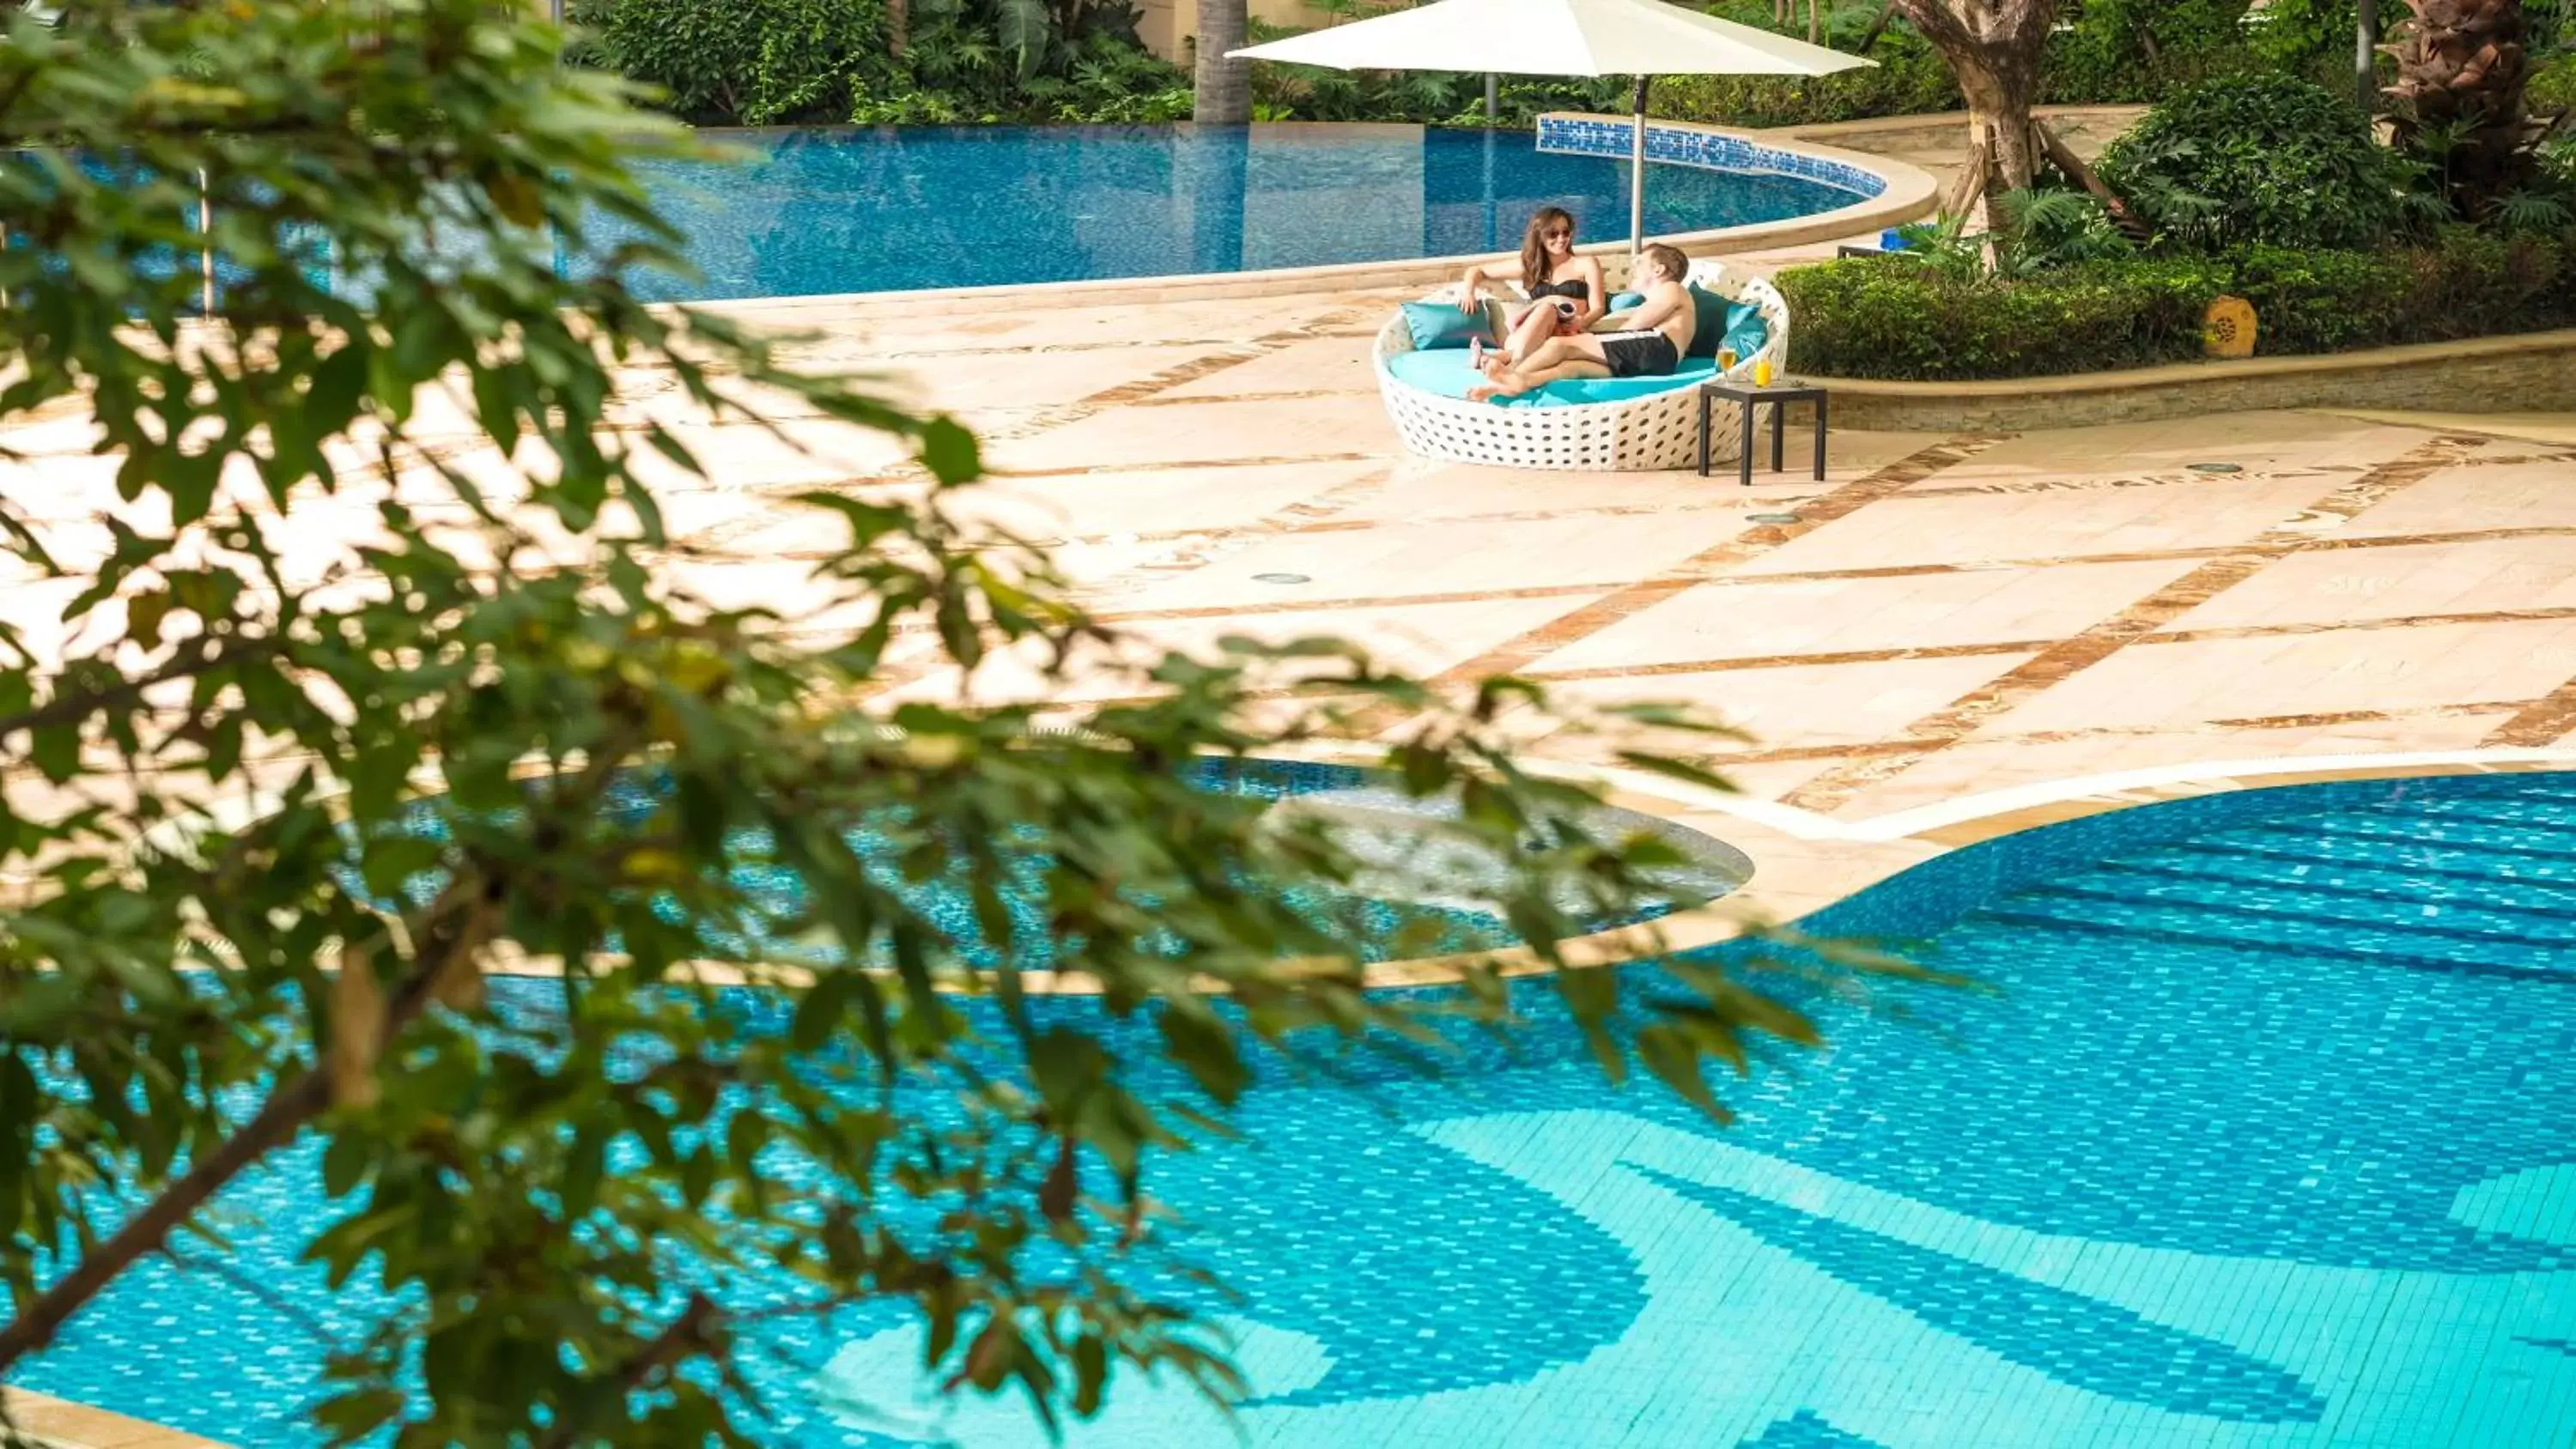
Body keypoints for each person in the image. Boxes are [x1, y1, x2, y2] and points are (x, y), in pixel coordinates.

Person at [1469, 243, 1698, 403]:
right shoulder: (1669, 297)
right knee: (1572, 367)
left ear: (1658, 270)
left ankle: (1513, 373)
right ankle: (1519, 382)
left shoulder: (1672, 288)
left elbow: (1634, 328)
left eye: (1640, 262)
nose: (1633, 267)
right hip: (1659, 358)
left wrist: (1585, 338)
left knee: (1560, 346)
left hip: (1658, 346)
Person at [1456, 207, 1607, 370]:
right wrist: (1468, 291)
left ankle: (1501, 360)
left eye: (1566, 232)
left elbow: (1598, 308)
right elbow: (1478, 271)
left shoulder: (1586, 264)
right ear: (1540, 236)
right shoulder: (1530, 267)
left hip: (1569, 330)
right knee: (1547, 309)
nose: (1562, 238)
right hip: (1536, 329)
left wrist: (1581, 322)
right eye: (1553, 234)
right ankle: (1511, 364)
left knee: (1548, 309)